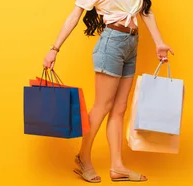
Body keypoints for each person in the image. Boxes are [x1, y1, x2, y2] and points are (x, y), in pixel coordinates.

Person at [42, 0, 174, 183]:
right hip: (112, 44)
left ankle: (117, 166)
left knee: (120, 108)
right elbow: (75, 14)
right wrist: (54, 49)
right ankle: (83, 157)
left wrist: (159, 43)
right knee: (102, 106)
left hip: (132, 44)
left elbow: (145, 11)